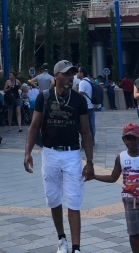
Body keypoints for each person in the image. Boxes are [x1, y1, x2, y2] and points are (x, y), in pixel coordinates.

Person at [25, 60, 94, 253]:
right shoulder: (45, 97)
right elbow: (34, 127)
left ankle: (76, 248)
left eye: (72, 74)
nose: (71, 77)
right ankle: (61, 239)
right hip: (50, 154)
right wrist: (27, 153)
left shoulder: (79, 100)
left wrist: (89, 161)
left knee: (73, 200)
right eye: (66, 74)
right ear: (56, 76)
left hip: (72, 154)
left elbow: (86, 132)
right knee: (53, 199)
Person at [93, 124, 139, 253]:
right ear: (123, 140)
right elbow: (113, 177)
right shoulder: (121, 157)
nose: (131, 142)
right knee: (134, 232)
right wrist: (94, 176)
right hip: (130, 200)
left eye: (134, 139)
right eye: (128, 139)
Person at [75, 66, 96, 144]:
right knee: (90, 125)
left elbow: (80, 94)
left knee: (83, 125)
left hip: (85, 107)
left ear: (82, 73)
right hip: (90, 106)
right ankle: (91, 140)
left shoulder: (82, 82)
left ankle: (87, 141)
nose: (76, 74)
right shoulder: (89, 81)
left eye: (78, 72)